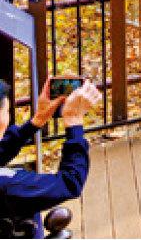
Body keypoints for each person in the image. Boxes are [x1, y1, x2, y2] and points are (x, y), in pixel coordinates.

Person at [0, 77, 101, 238]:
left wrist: (37, 120)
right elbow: (69, 183)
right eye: (7, 112)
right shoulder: (9, 186)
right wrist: (74, 122)